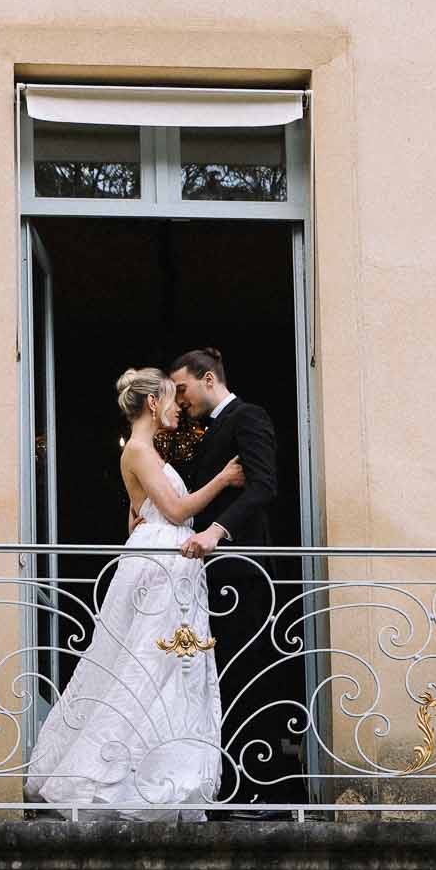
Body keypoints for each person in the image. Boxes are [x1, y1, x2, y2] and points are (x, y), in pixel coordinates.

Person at [24, 367, 246, 820]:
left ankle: (158, 773)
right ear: (151, 403)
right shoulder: (142, 449)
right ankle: (119, 776)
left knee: (159, 663)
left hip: (163, 557)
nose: (176, 409)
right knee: (151, 662)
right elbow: (177, 508)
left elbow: (135, 517)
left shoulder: (140, 452)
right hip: (165, 562)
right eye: (169, 399)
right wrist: (223, 480)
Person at [167, 347, 288, 813]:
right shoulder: (211, 428)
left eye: (182, 389)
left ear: (208, 378)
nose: (180, 401)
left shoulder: (248, 416)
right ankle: (225, 783)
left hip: (243, 572)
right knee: (218, 677)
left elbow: (263, 485)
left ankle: (253, 791)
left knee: (246, 675)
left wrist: (219, 529)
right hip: (216, 575)